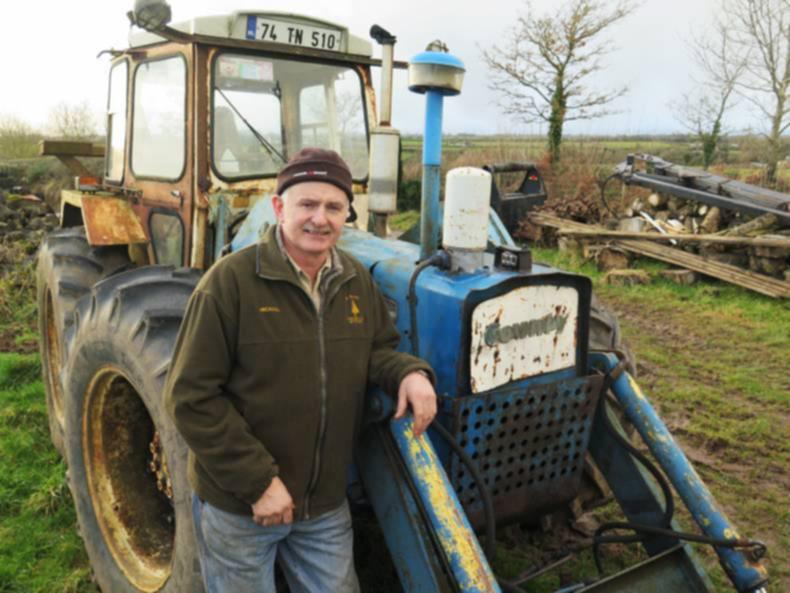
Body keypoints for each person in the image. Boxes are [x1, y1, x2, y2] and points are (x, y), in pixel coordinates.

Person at [164, 147, 437, 593]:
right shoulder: (229, 284)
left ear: (347, 214)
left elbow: (375, 350)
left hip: (324, 505)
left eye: (333, 207)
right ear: (279, 207)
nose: (320, 218)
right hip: (241, 506)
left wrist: (409, 373)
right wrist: (257, 483)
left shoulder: (354, 279)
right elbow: (190, 397)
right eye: (307, 204)